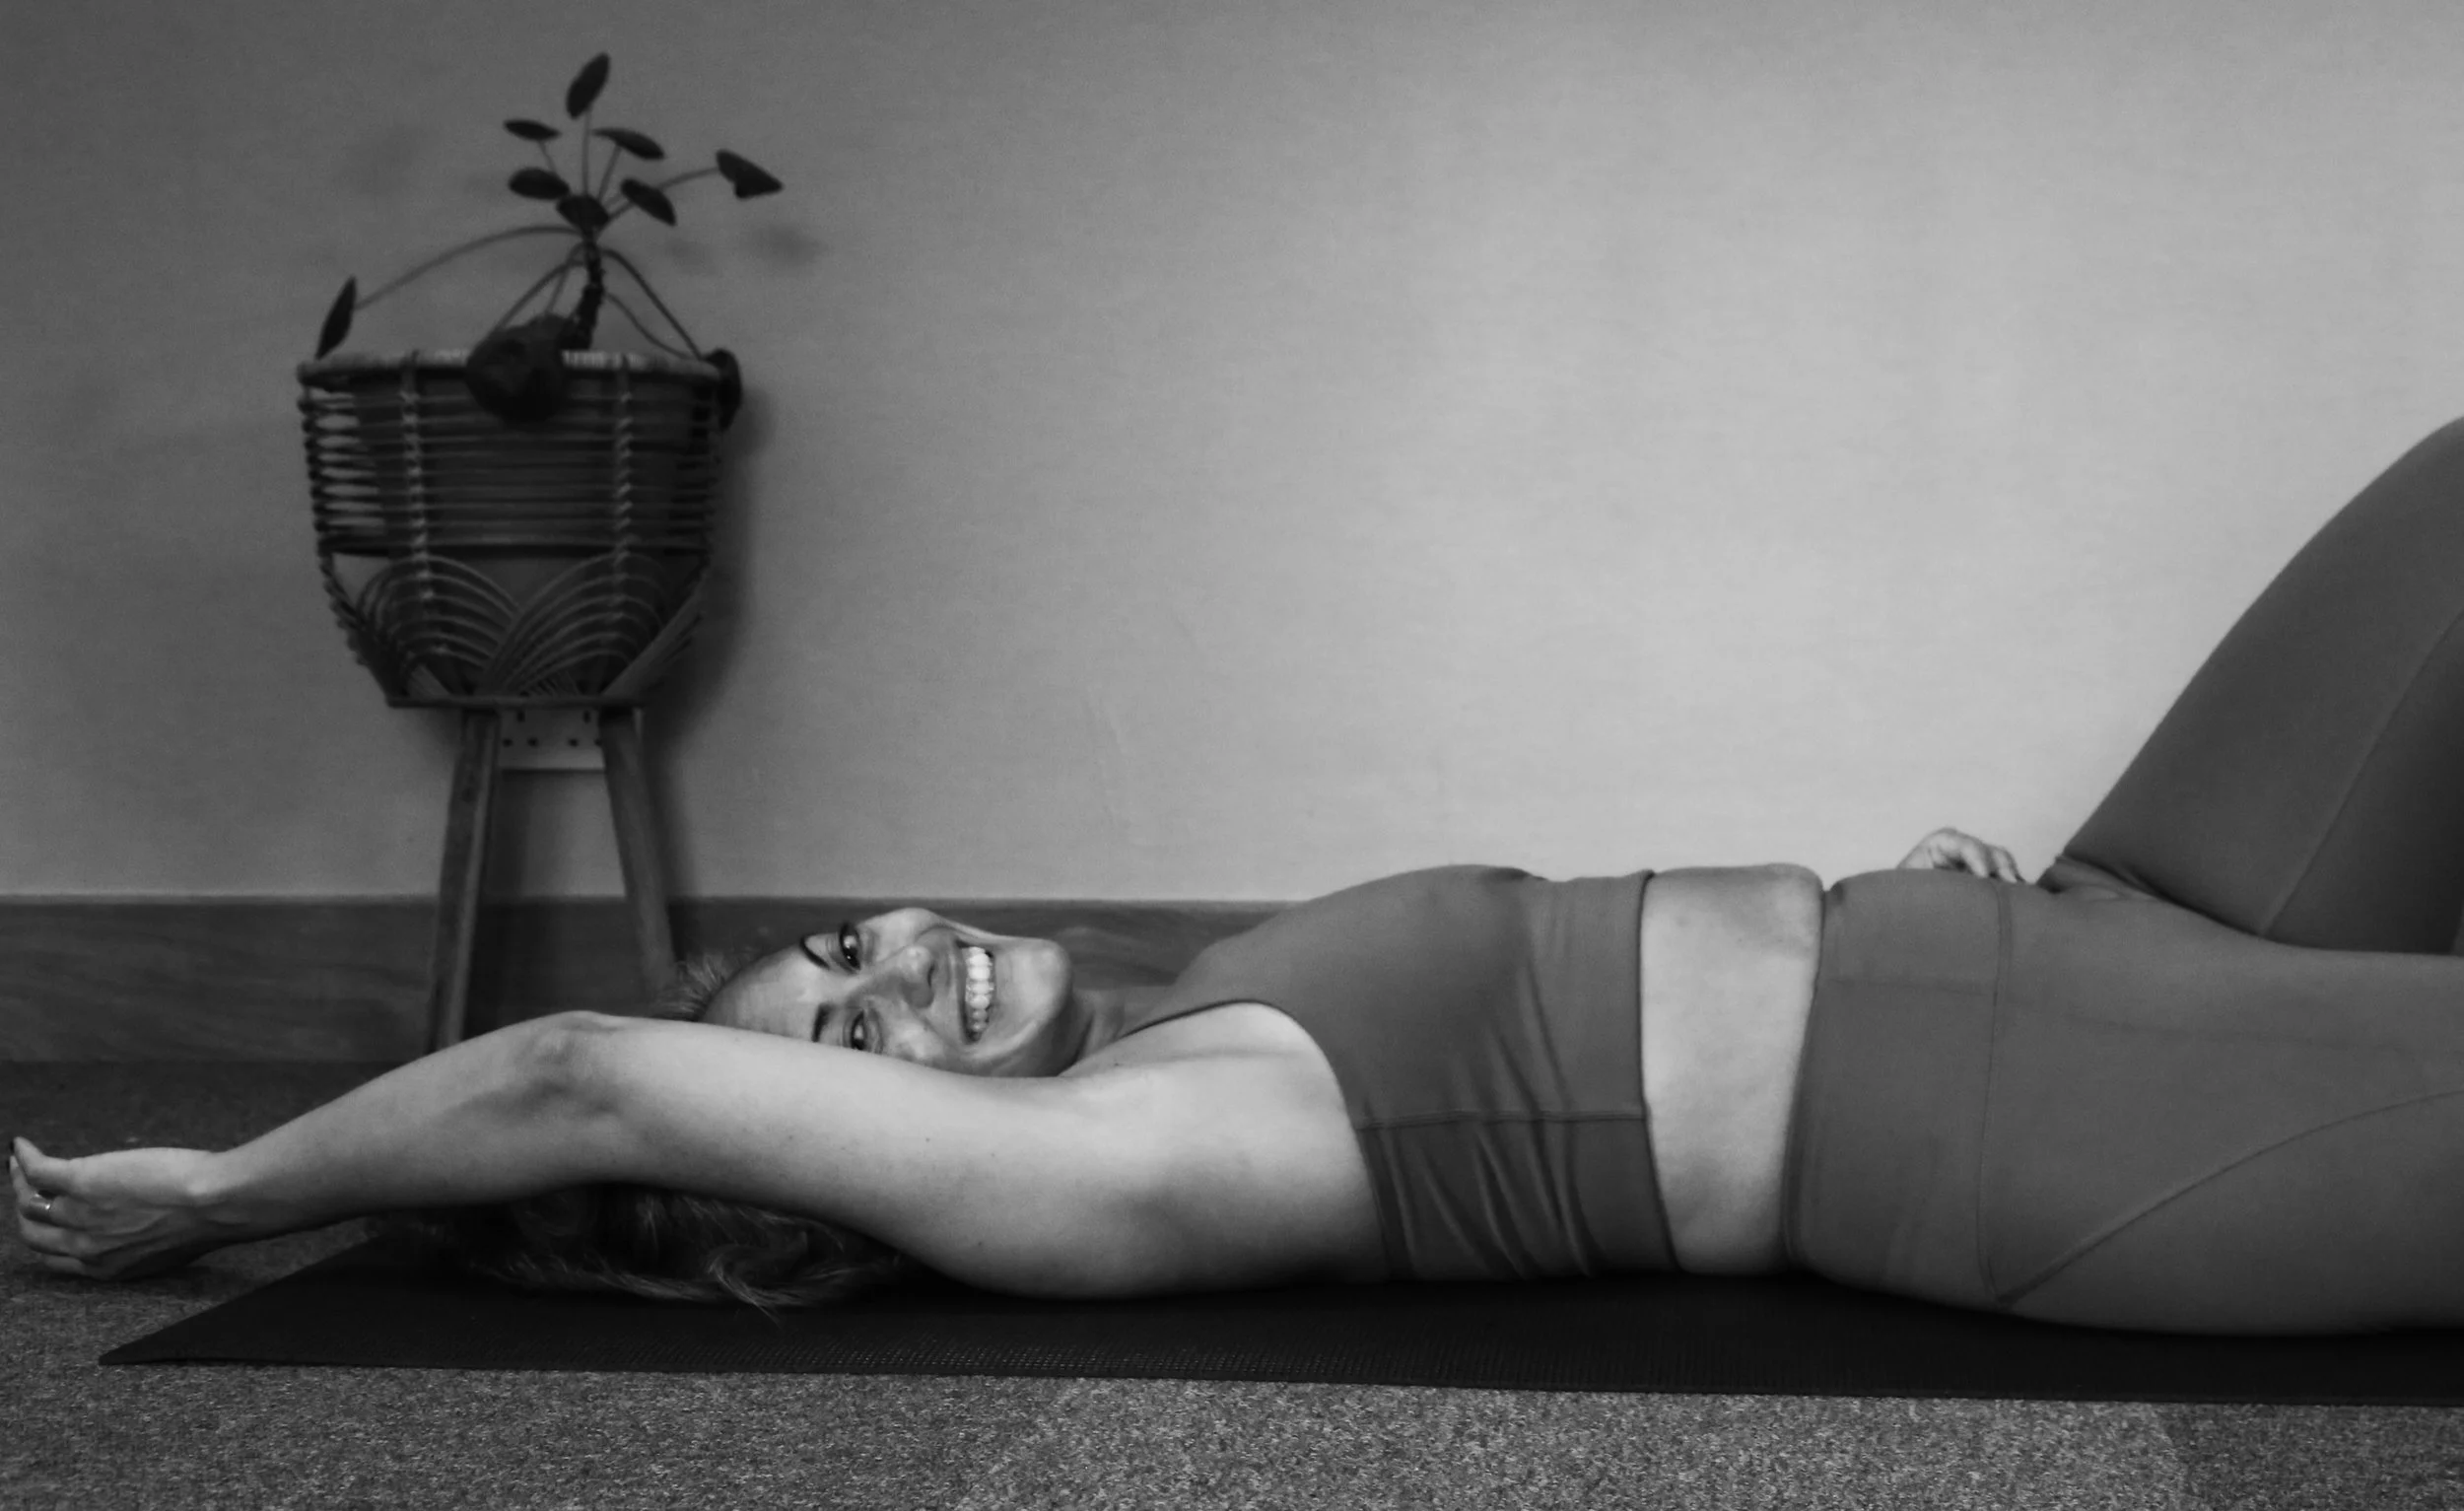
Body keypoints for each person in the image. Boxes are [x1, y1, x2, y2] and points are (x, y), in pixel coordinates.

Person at [20, 417, 2464, 1337]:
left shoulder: (1196, 1012)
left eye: (839, 948)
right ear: (823, 1180)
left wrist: (1931, 900)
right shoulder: (1104, 1175)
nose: (895, 970)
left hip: (2090, 937)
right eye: (840, 1047)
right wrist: (220, 1188)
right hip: (2069, 1118)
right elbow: (574, 1073)